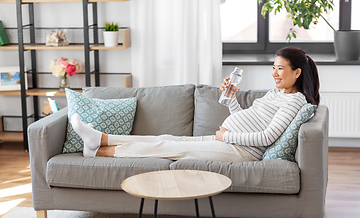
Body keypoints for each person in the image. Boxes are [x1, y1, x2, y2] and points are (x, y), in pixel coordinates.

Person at [71, 47, 320, 162]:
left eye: (280, 69)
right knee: (168, 137)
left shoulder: (295, 100)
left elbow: (267, 137)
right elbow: (247, 117)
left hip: (240, 152)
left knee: (166, 147)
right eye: (273, 68)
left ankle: (98, 152)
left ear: (297, 73)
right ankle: (100, 139)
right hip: (228, 141)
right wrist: (232, 99)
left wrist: (227, 136)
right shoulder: (275, 93)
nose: (275, 73)